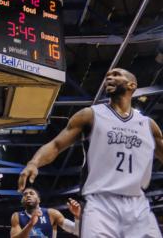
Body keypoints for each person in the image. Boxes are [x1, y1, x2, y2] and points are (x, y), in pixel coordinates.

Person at [18, 68, 163, 238]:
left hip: (137, 202)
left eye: (116, 75)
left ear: (132, 85)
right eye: (107, 75)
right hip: (100, 202)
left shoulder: (148, 125)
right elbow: (56, 145)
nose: (109, 77)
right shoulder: (91, 115)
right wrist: (34, 163)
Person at [10, 187, 81, 238]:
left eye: (31, 193)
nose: (28, 195)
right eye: (25, 194)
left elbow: (77, 231)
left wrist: (77, 217)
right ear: (22, 201)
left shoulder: (51, 213)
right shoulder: (16, 216)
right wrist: (30, 224)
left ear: (39, 200)